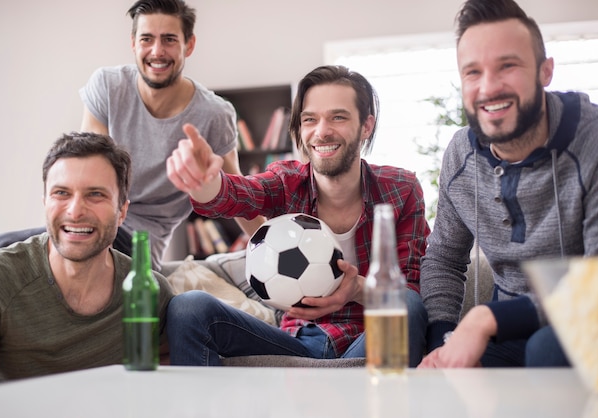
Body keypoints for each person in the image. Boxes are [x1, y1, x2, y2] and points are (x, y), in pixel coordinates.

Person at [164, 65, 431, 366]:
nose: (321, 131)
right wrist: (205, 182)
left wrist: (356, 290)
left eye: (338, 117)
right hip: (297, 345)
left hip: (368, 342)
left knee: (404, 304)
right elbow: (239, 194)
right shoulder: (287, 182)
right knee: (188, 308)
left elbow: (414, 293)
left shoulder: (401, 190)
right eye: (310, 120)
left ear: (366, 126)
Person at [0, 0, 262, 270]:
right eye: (146, 39)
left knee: (111, 246)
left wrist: (268, 247)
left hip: (137, 241)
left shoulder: (214, 114)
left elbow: (237, 198)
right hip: (95, 218)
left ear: (188, 45)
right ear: (133, 43)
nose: (157, 50)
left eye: (169, 39)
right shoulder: (108, 86)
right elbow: (88, 170)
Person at [418, 0, 598, 368]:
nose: (489, 87)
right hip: (510, 331)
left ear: (545, 71)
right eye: (473, 72)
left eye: (508, 66)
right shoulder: (460, 155)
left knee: (546, 349)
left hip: (589, 319)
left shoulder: (594, 140)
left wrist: (487, 319)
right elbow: (443, 259)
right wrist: (445, 343)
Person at [0, 132, 175, 385]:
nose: (75, 211)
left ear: (122, 211)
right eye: (61, 193)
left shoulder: (150, 294)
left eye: (95, 195)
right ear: (45, 203)